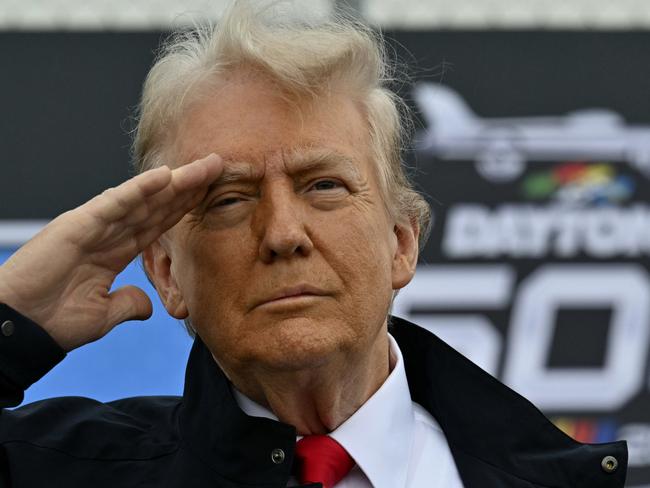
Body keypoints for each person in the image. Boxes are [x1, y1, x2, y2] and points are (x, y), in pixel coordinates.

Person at [0, 2, 627, 487]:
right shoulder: (61, 469)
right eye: (229, 199)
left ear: (402, 242)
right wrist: (9, 323)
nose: (282, 234)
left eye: (324, 185)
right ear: (167, 273)